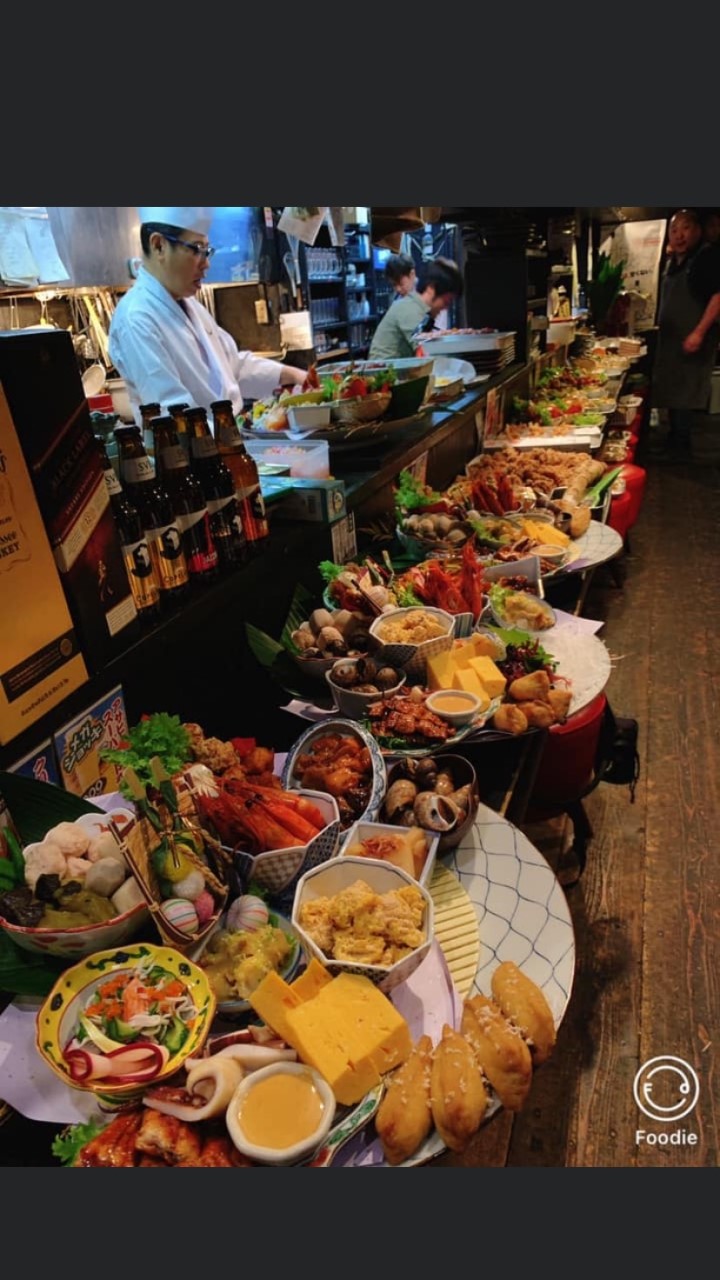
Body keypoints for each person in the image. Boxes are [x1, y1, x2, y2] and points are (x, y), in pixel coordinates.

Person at [109, 207, 306, 422]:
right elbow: (173, 414)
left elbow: (232, 367)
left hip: (230, 433)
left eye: (206, 250)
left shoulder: (190, 304)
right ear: (159, 246)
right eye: (196, 249)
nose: (206, 264)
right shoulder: (136, 318)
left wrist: (294, 376)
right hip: (201, 442)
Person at [651, 208, 720, 454]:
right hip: (672, 340)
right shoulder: (675, 261)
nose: (679, 235)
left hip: (692, 338)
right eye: (674, 229)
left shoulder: (705, 258)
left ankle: (681, 447)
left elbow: (718, 296)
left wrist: (699, 332)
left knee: (685, 391)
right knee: (673, 389)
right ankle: (674, 440)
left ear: (698, 231)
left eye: (686, 228)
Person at [368, 257, 464, 360]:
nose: (445, 308)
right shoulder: (410, 309)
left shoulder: (417, 305)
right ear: (431, 289)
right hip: (386, 368)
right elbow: (425, 352)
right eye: (446, 301)